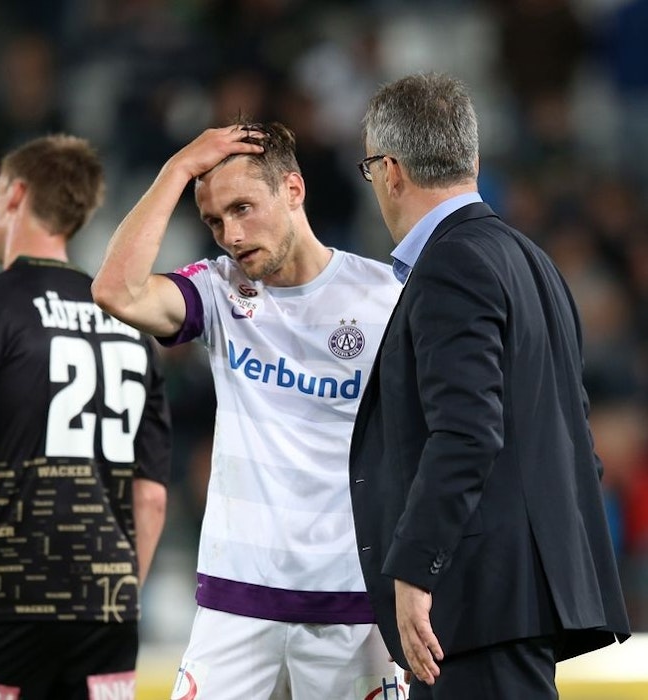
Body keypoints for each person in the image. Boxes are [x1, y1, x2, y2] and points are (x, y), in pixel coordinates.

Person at [92, 121, 405, 699]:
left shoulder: (387, 296)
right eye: (214, 221)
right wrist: (176, 169)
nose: (231, 235)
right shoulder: (217, 290)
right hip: (234, 606)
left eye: (242, 208)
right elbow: (117, 290)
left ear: (293, 189)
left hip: (353, 606)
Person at [348, 72, 631, 699]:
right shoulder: (532, 261)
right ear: (471, 160)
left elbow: (468, 432)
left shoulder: (451, 263)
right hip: (514, 603)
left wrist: (415, 570)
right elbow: (573, 435)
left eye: (369, 169)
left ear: (390, 171)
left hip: (478, 605)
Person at [0, 134, 172, 700]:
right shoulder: (132, 327)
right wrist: (116, 599)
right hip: (108, 618)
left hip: (4, 604)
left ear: (15, 195)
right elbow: (150, 499)